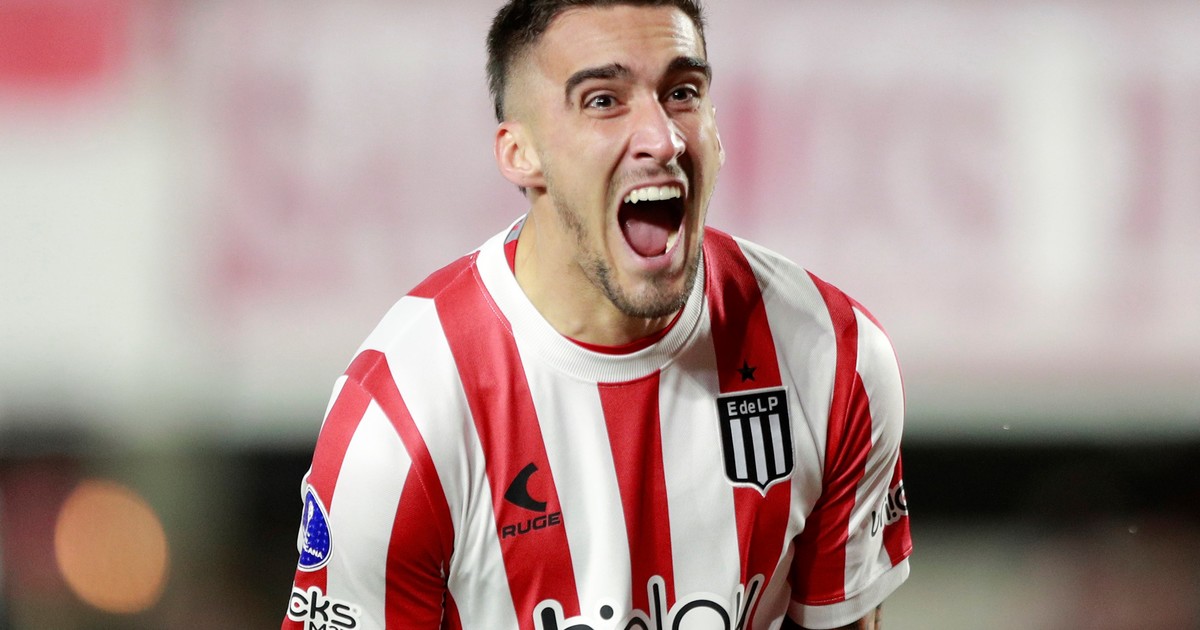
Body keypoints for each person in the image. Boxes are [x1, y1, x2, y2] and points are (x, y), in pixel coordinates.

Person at [282, 1, 912, 629]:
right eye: (604, 101)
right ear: (520, 153)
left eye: (682, 93)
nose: (663, 139)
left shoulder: (831, 356)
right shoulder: (399, 420)